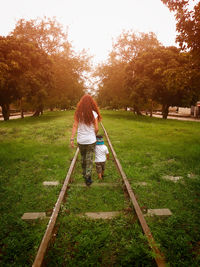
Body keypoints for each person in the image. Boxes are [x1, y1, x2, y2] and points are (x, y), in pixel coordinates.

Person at [70, 94, 101, 186]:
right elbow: (97, 128)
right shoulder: (94, 113)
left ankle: (84, 173)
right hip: (91, 140)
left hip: (81, 140)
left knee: (83, 158)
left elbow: (75, 126)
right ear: (91, 103)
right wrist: (94, 135)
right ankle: (88, 177)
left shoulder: (78, 113)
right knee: (89, 159)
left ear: (81, 103)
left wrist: (72, 139)